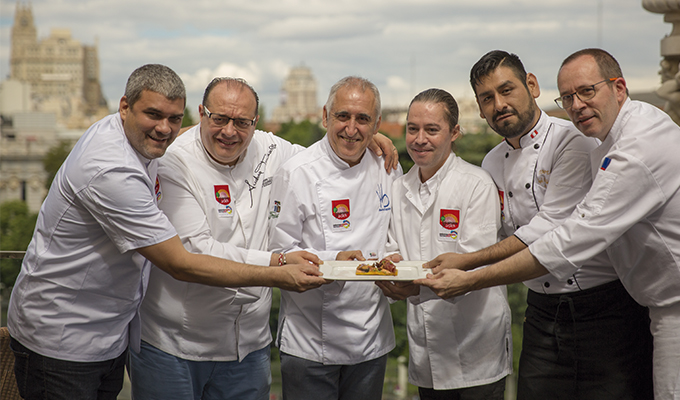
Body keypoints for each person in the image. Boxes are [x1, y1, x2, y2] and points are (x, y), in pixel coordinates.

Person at [418, 48, 680, 400]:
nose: (577, 105)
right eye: (568, 97)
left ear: (618, 87)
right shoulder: (604, 138)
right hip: (629, 306)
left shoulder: (631, 145)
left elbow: (564, 236)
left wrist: (471, 274)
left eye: (587, 91)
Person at [7, 64, 328, 400]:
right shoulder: (112, 171)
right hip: (63, 337)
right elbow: (182, 262)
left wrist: (360, 140)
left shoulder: (132, 136)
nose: (164, 128)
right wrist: (278, 270)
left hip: (112, 335)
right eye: (153, 114)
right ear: (124, 106)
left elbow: (317, 163)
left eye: (174, 118)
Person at [130, 77, 400, 400]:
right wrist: (278, 264)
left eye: (242, 122)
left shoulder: (271, 149)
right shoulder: (174, 162)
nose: (230, 131)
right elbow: (195, 252)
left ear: (255, 123)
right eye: (219, 119)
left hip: (249, 347)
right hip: (175, 344)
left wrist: (366, 136)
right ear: (201, 113)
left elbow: (324, 157)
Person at [424, 50, 653, 399]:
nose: (499, 104)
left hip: (607, 310)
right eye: (487, 98)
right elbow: (493, 232)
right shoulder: (491, 161)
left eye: (507, 90)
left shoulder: (572, 140)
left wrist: (468, 265)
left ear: (531, 85)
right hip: (542, 313)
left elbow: (547, 227)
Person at [268, 76, 402, 400]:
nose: (351, 128)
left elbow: (395, 236)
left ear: (377, 123)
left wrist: (396, 261)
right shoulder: (297, 172)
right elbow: (278, 252)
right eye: (343, 116)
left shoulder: (388, 167)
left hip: (370, 338)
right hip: (310, 341)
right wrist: (332, 263)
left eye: (363, 119)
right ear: (325, 116)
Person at [375, 88, 512, 399]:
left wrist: (412, 284)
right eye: (413, 128)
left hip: (477, 347)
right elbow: (391, 247)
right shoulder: (398, 188)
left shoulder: (476, 184)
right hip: (427, 350)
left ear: (455, 133)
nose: (419, 139)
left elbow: (471, 263)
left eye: (432, 129)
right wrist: (391, 267)